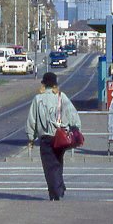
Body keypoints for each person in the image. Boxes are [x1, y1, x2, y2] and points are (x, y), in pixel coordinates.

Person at [26, 71, 81, 201]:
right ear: (55, 84)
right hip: (61, 137)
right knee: (57, 163)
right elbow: (73, 115)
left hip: (46, 138)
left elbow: (32, 120)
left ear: (44, 84)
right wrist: (76, 129)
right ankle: (59, 187)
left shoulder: (38, 99)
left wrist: (31, 138)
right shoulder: (62, 97)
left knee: (49, 167)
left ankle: (56, 192)